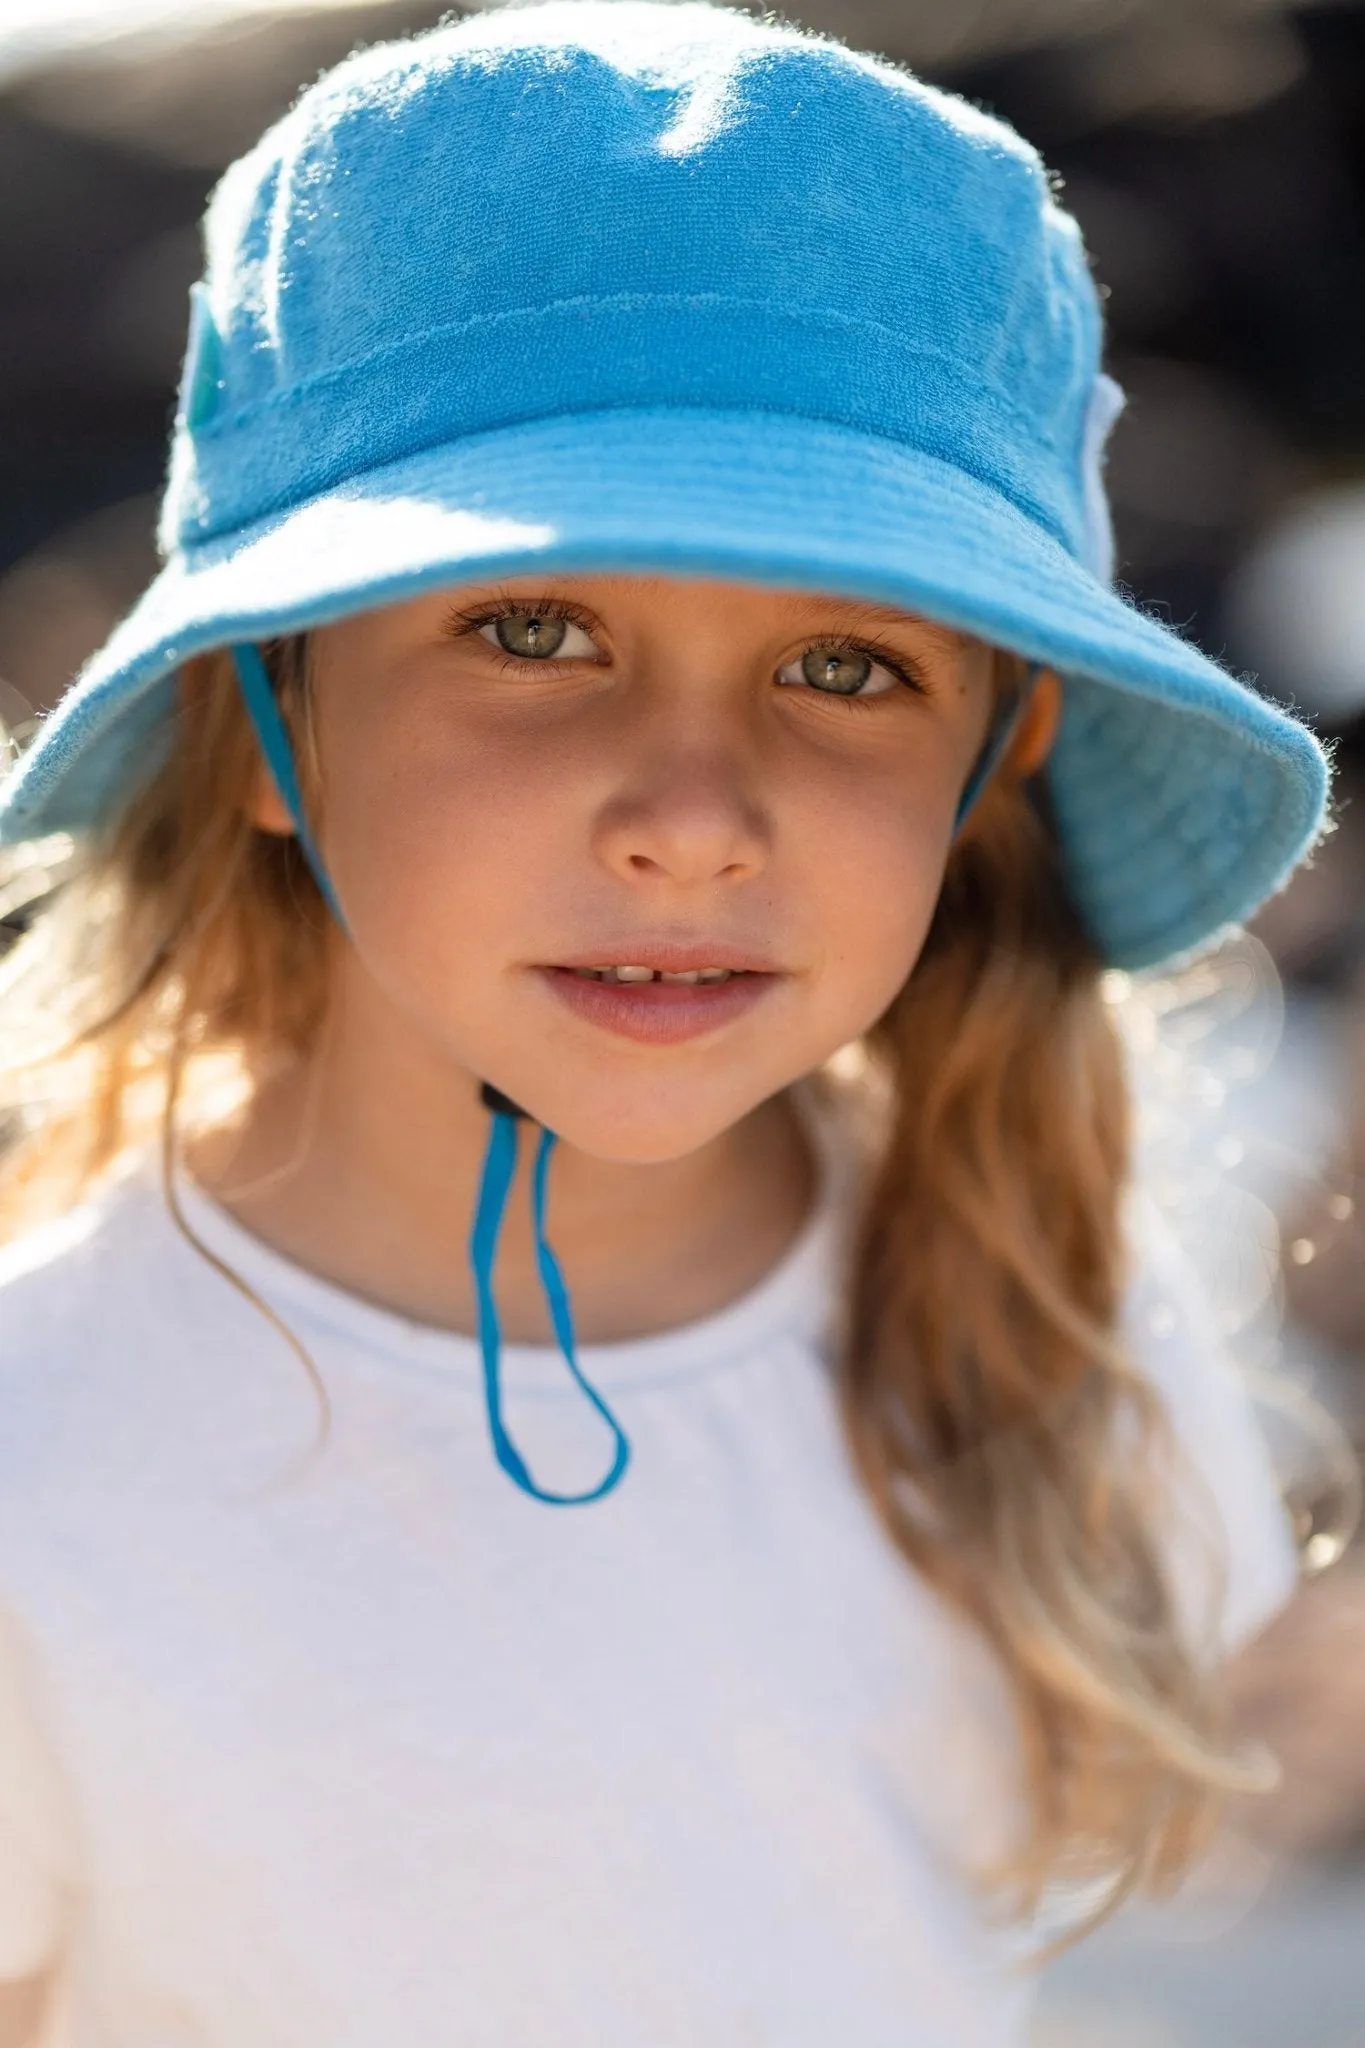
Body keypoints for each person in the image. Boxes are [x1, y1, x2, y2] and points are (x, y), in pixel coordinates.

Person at [0, 5, 1329, 2043]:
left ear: (998, 747)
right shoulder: (46, 1463)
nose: (692, 823)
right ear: (258, 710)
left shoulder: (1049, 1332)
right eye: (531, 631)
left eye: (845, 666)